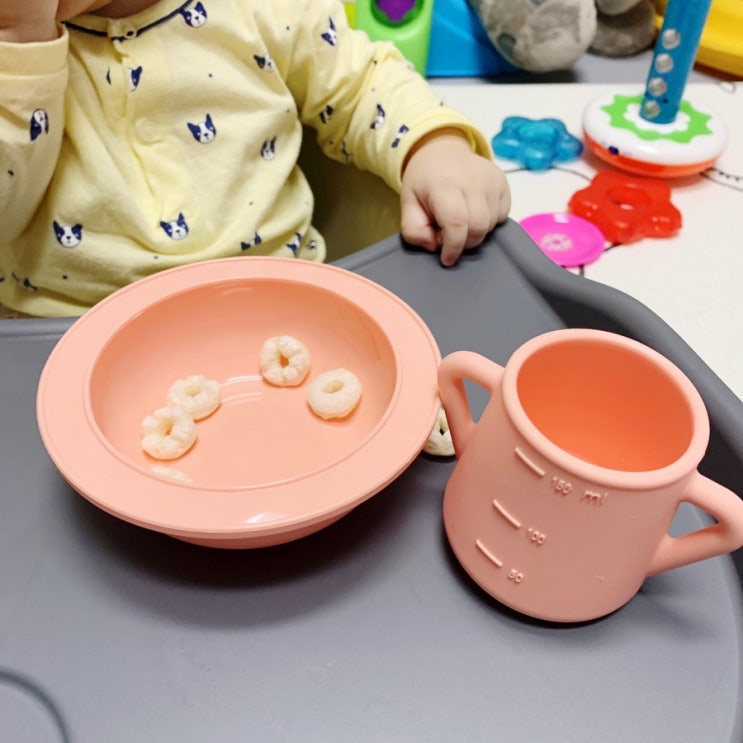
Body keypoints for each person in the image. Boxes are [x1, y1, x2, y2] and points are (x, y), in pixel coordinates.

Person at [0, 0, 511, 317]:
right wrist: (19, 40)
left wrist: (435, 149)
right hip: (64, 330)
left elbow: (359, 84)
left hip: (281, 302)